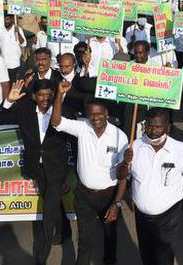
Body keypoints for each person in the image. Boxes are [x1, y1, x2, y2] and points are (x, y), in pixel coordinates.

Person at [117, 108, 183, 265]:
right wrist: (125, 162)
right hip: (141, 215)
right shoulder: (134, 146)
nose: (152, 131)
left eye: (158, 126)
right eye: (149, 126)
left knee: (163, 257)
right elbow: (121, 176)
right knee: (146, 253)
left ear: (168, 126)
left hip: (168, 216)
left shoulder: (181, 150)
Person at [0, 80, 73, 264]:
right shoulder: (23, 110)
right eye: (41, 95)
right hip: (35, 167)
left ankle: (41, 255)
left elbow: (77, 139)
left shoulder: (64, 111)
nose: (45, 99)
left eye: (49, 94)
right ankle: (64, 229)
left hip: (56, 168)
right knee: (51, 201)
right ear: (34, 96)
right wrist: (9, 101)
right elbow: (0, 122)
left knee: (48, 210)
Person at [52, 82, 128, 265]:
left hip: (109, 196)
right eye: (91, 114)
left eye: (99, 114)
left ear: (107, 114)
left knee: (110, 236)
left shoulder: (120, 137)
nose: (95, 118)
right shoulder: (82, 127)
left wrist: (116, 203)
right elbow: (56, 122)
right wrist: (59, 94)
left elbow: (123, 176)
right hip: (84, 195)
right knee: (85, 239)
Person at [0, 13, 26, 81]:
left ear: (12, 19)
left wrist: (18, 33)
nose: (6, 21)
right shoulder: (0, 30)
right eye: (4, 19)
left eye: (7, 19)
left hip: (17, 63)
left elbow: (23, 44)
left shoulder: (18, 29)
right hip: (5, 64)